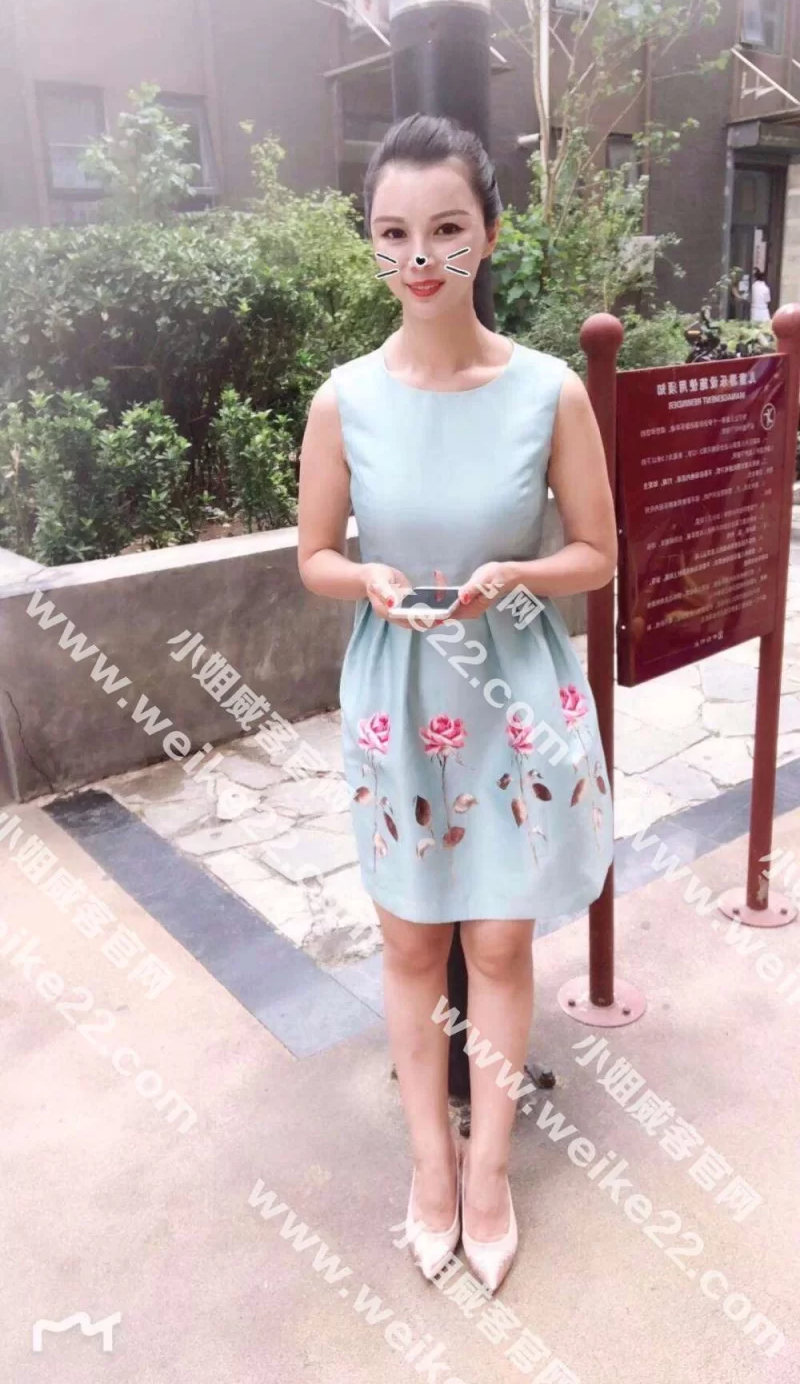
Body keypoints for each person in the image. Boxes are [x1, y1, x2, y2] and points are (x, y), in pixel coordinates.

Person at [297, 112, 616, 1293]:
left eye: (444, 227)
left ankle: (488, 1173)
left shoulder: (546, 392)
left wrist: (515, 576)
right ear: (370, 242)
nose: (419, 256)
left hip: (513, 692)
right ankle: (428, 1166)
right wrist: (367, 580)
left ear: (489, 231)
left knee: (497, 938)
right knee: (408, 937)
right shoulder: (342, 400)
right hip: (400, 691)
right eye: (392, 232)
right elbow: (314, 556)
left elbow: (596, 554)